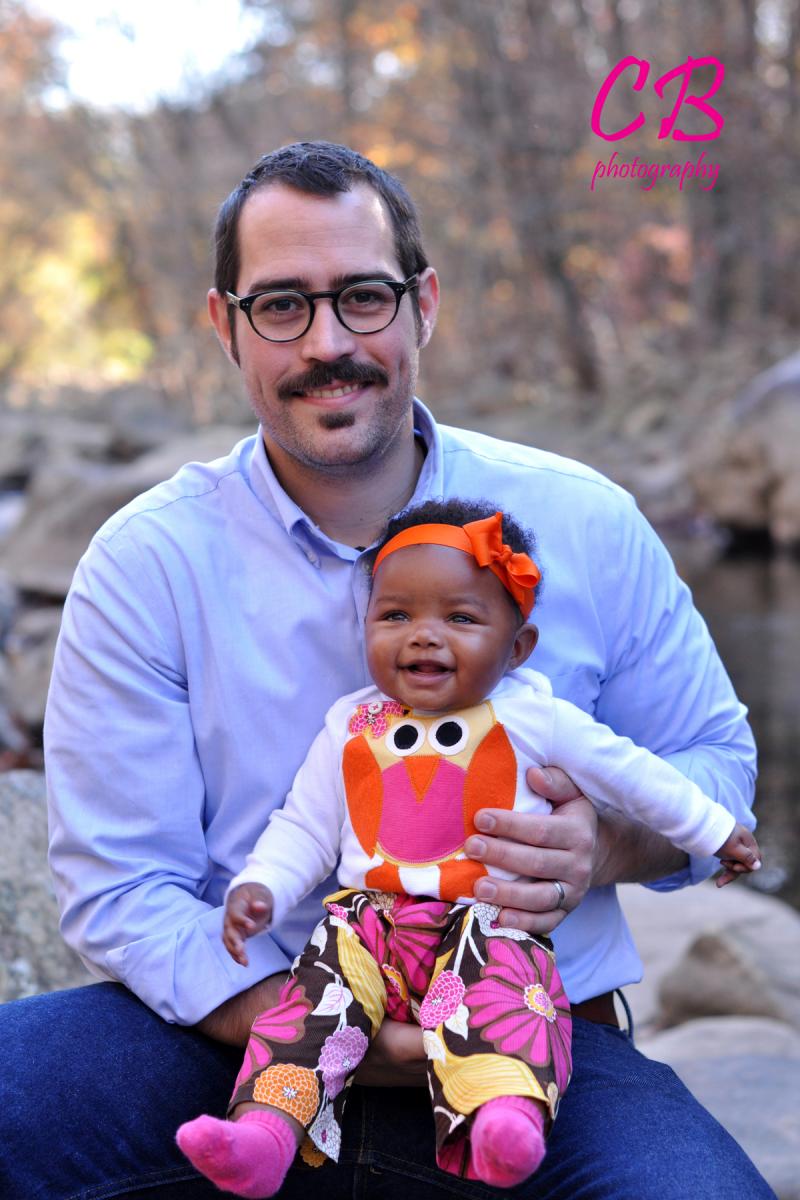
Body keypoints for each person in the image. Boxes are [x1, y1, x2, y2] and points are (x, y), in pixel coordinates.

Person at [0, 140, 775, 1200]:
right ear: (225, 325)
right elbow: (121, 888)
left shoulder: (585, 521)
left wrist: (603, 844)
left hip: (536, 1040)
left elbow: (714, 762)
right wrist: (313, 1026)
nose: (328, 343)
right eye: (282, 306)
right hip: (233, 1032)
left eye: (363, 297)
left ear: (424, 305)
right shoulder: (146, 564)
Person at [175, 500, 761, 1198]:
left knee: (506, 998)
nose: (423, 636)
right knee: (309, 1004)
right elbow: (304, 826)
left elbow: (636, 778)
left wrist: (713, 831)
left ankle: (505, 1120)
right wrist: (262, 888)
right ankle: (263, 1134)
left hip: (485, 918)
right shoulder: (350, 724)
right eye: (396, 615)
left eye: (460, 618)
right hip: (369, 925)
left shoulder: (534, 716)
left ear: (517, 648)